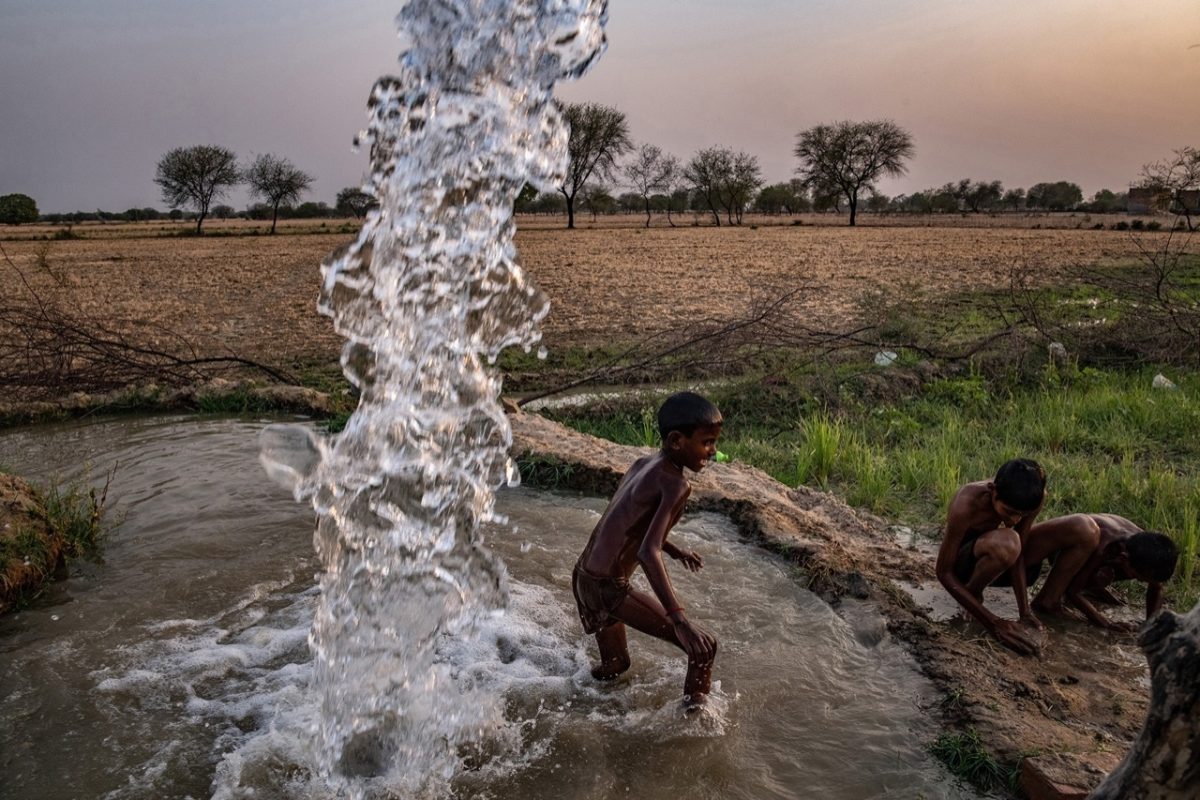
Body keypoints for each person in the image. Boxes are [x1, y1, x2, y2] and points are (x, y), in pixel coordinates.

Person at [572, 391, 721, 709]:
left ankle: (568, 693)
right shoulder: (676, 485)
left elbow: (626, 522)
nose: (712, 451)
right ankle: (693, 728)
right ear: (677, 441)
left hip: (584, 576)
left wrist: (674, 549)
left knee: (616, 667)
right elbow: (646, 551)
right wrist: (680, 621)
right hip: (608, 586)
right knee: (703, 647)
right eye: (707, 442)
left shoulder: (642, 464)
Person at [936, 459, 1047, 655]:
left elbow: (1019, 552)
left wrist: (1025, 612)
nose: (1014, 520)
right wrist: (993, 622)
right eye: (1010, 512)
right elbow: (944, 572)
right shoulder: (967, 504)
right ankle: (972, 595)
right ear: (992, 490)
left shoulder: (1033, 499)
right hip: (963, 565)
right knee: (1008, 542)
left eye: (1022, 515)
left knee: (1013, 542)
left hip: (993, 564)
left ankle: (972, 597)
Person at [1024, 513, 1179, 630]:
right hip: (1056, 551)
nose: (1137, 581)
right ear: (1123, 557)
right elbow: (1073, 592)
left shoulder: (1144, 548)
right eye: (1137, 577)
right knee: (1055, 600)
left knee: (1108, 574)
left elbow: (1157, 587)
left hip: (1096, 556)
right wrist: (1106, 623)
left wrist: (1150, 625)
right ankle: (1050, 598)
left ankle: (1091, 586)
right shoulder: (1104, 546)